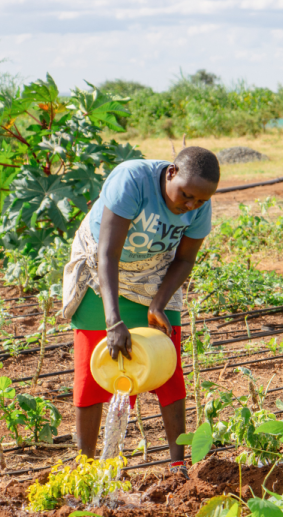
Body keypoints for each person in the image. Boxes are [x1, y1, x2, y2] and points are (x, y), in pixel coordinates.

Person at [61, 147, 220, 477]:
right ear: (172, 173)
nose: (190, 206)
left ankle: (178, 466)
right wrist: (113, 319)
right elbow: (107, 253)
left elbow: (185, 259)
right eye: (186, 196)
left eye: (200, 201)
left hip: (155, 272)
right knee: (94, 371)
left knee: (168, 368)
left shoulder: (199, 206)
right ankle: (87, 469)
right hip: (101, 269)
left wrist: (158, 303)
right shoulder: (132, 180)